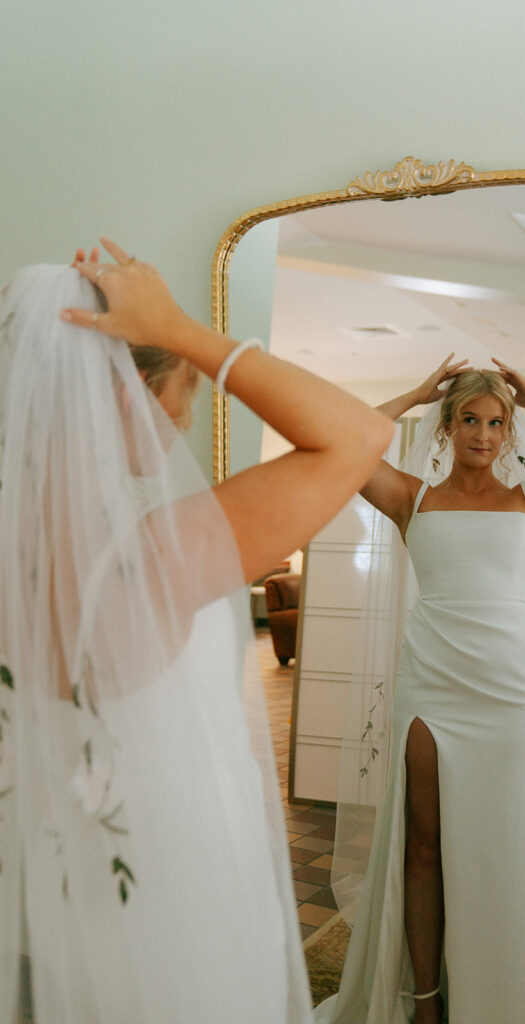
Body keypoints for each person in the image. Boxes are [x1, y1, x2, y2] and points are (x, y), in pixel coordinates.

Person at [0, 240, 394, 1024]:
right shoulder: (155, 557)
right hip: (168, 903)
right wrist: (185, 329)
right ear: (124, 394)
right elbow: (357, 436)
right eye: (181, 387)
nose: (185, 414)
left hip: (38, 905)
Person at [315, 357, 525, 1024]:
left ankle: (500, 995)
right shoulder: (410, 497)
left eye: (495, 422)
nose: (482, 434)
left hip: (511, 689)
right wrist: (415, 391)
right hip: (432, 683)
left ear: (509, 432)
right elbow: (346, 442)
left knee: (506, 845)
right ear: (445, 427)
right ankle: (426, 998)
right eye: (468, 420)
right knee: (423, 844)